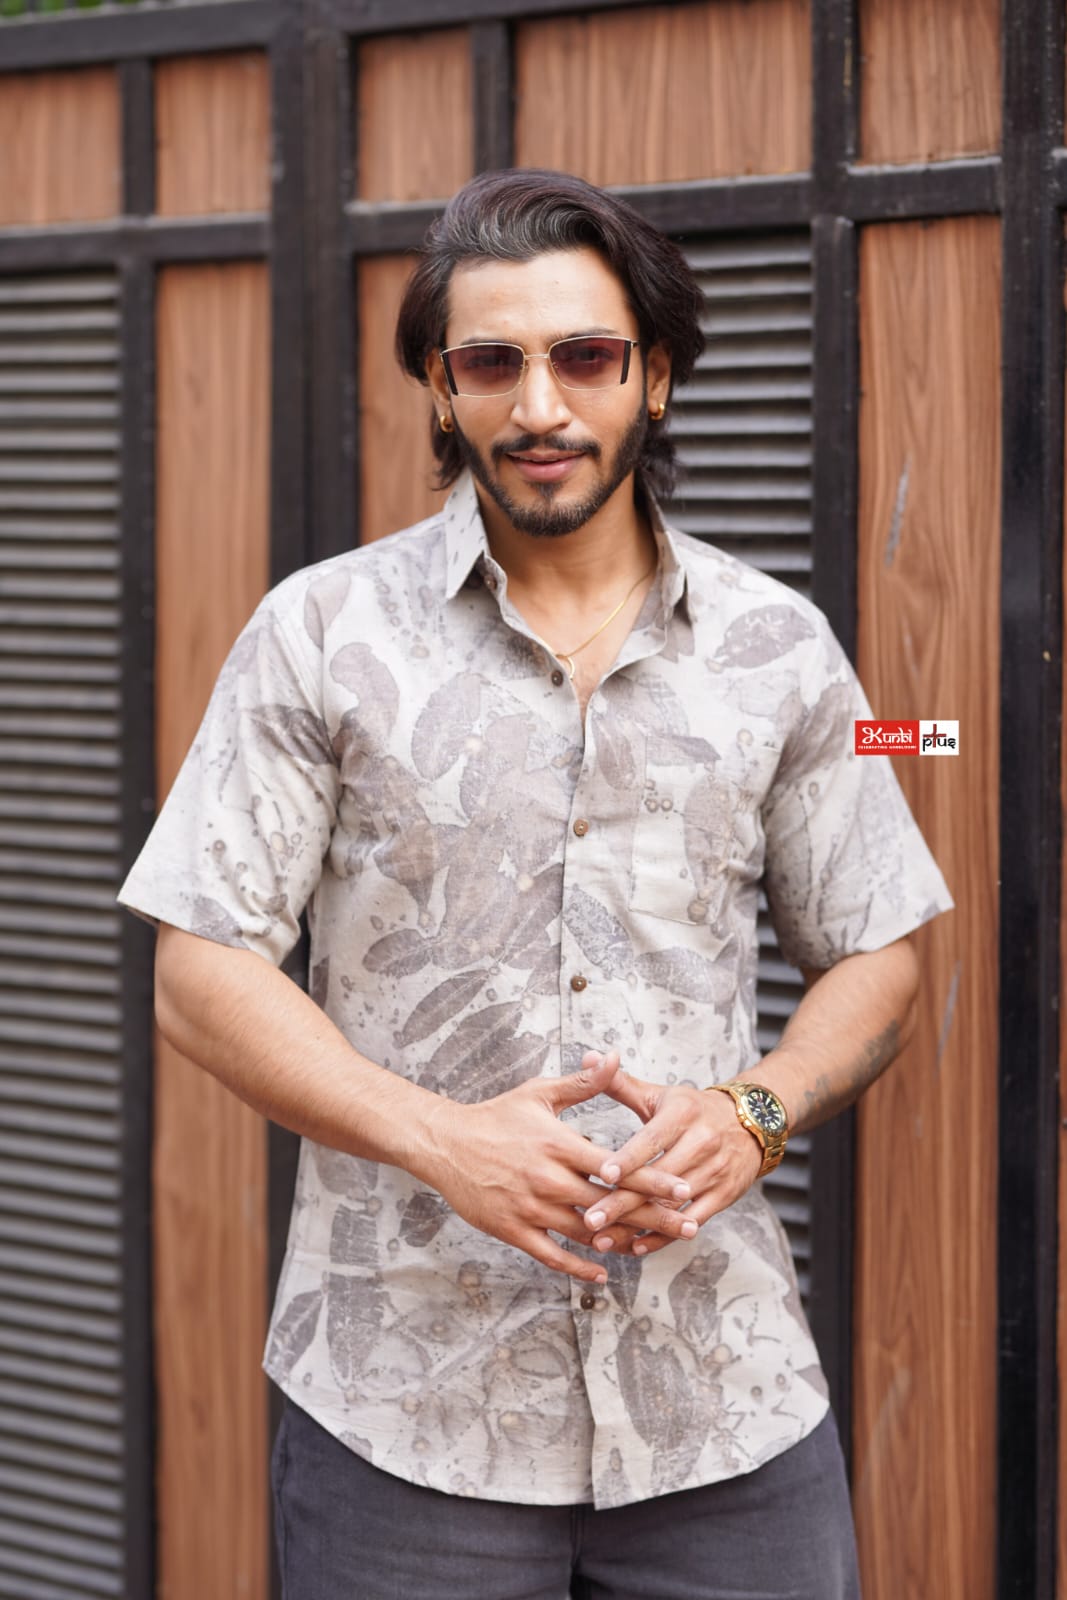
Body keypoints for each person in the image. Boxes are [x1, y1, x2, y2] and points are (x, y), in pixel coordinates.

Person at [120, 168, 952, 1600]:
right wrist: (442, 1140)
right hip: (402, 1412)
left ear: (656, 378)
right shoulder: (318, 635)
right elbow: (199, 970)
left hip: (722, 1404)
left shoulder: (782, 651)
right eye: (492, 363)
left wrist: (757, 1113)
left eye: (586, 355)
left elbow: (880, 953)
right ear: (442, 393)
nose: (541, 405)